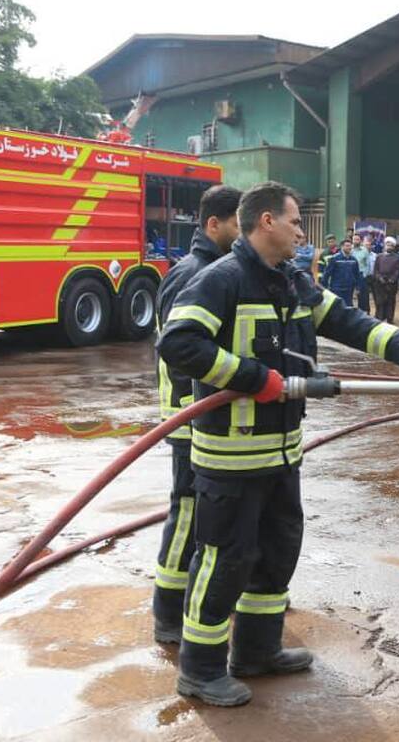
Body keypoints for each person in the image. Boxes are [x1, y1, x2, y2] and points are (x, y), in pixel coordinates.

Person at [158, 181, 399, 707]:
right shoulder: (220, 279)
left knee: (276, 551)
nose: (300, 231)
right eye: (295, 221)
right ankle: (199, 670)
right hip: (230, 455)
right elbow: (179, 344)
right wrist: (254, 378)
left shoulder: (290, 282)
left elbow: (349, 321)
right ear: (266, 221)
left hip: (282, 450)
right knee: (224, 560)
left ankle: (257, 652)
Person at [151, 184, 242, 645]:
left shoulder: (223, 270)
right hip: (188, 416)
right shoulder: (192, 273)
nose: (244, 235)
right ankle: (168, 612)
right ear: (213, 225)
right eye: (237, 226)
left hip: (212, 416)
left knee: (213, 516)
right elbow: (180, 349)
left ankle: (208, 599)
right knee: (187, 511)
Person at [320, 238, 362, 308]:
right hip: (337, 288)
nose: (349, 247)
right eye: (347, 246)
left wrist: (357, 287)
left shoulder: (354, 260)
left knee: (348, 307)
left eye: (350, 246)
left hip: (349, 289)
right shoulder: (335, 259)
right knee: (337, 307)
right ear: (342, 247)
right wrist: (325, 287)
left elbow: (357, 274)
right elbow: (327, 273)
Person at [371, 236, 399, 323]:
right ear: (385, 245)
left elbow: (398, 270)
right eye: (388, 245)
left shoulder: (397, 257)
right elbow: (375, 270)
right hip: (380, 283)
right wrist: (379, 278)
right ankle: (380, 318)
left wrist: (392, 279)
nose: (389, 247)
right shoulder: (379, 256)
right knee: (380, 301)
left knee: (390, 301)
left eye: (391, 245)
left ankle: (390, 319)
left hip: (391, 283)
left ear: (393, 247)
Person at [351, 233, 372, 313]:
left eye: (357, 239)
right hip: (351, 275)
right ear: (352, 240)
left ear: (360, 241)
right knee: (350, 296)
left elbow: (368, 264)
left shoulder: (364, 250)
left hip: (361, 276)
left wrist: (364, 275)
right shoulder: (350, 250)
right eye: (354, 239)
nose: (356, 241)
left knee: (363, 297)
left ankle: (364, 314)